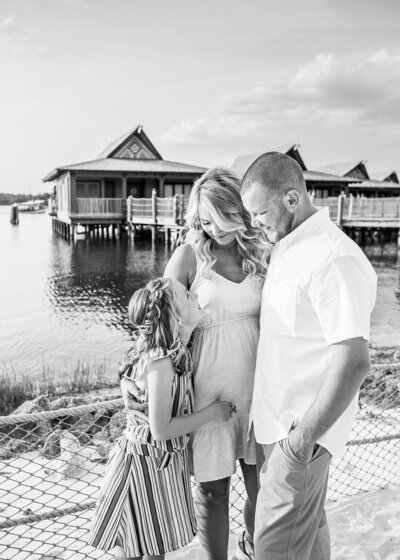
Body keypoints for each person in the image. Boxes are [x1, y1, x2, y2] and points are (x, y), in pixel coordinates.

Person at [241, 152, 377, 560]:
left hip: (297, 433)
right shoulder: (289, 245)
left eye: (260, 211)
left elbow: (354, 360)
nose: (255, 222)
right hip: (277, 429)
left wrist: (299, 443)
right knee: (312, 525)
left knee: (272, 551)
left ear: (291, 199)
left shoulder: (332, 257)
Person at [88, 277, 235, 560]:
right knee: (133, 549)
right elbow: (161, 429)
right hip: (143, 464)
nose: (194, 295)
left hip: (161, 465)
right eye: (186, 295)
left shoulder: (177, 352)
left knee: (154, 548)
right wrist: (212, 414)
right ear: (174, 316)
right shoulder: (161, 361)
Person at [164, 166, 269, 560]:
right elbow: (159, 327)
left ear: (239, 210)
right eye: (206, 221)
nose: (215, 229)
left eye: (222, 219)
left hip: (260, 387)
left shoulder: (261, 250)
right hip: (208, 393)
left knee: (263, 485)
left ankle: (256, 548)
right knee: (213, 491)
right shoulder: (188, 256)